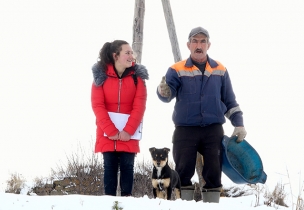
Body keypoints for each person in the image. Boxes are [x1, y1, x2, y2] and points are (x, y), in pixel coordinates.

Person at [156, 26, 247, 202]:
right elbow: (167, 95)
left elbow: (229, 101)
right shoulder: (176, 69)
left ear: (209, 45)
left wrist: (239, 124)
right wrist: (163, 91)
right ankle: (183, 206)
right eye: (195, 41)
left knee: (214, 172)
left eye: (203, 41)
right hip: (185, 129)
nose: (199, 45)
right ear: (188, 44)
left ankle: (211, 205)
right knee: (182, 171)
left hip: (213, 129)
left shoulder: (220, 69)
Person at [91, 40, 149, 196]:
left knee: (127, 166)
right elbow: (97, 105)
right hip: (106, 131)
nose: (132, 56)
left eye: (132, 53)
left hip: (130, 132)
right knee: (109, 166)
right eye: (127, 53)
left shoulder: (138, 78)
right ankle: (108, 203)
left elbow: (140, 106)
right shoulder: (100, 76)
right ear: (115, 56)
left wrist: (128, 131)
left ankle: (127, 202)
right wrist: (111, 130)